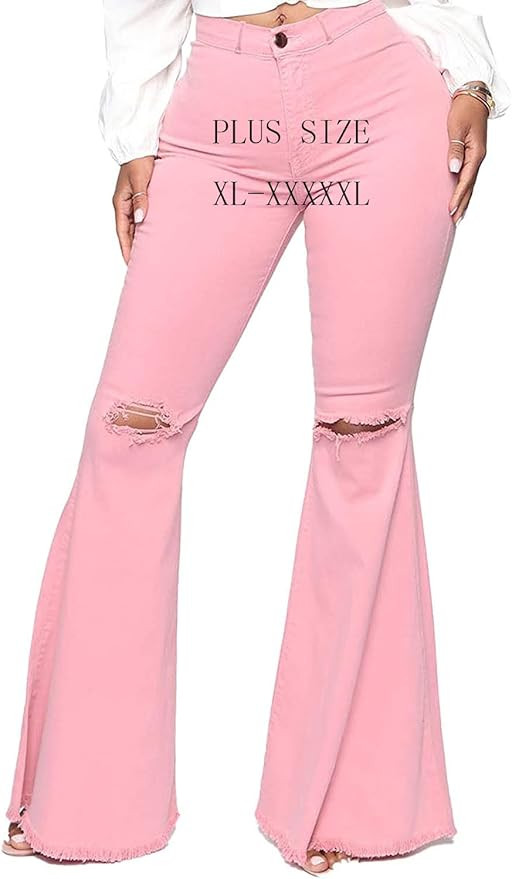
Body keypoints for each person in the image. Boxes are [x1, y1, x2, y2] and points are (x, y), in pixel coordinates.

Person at [3, 0, 509, 873]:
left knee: (364, 434)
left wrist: (470, 78)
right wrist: (135, 134)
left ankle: (346, 801)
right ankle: (83, 798)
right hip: (219, 110)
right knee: (132, 428)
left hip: (384, 92)